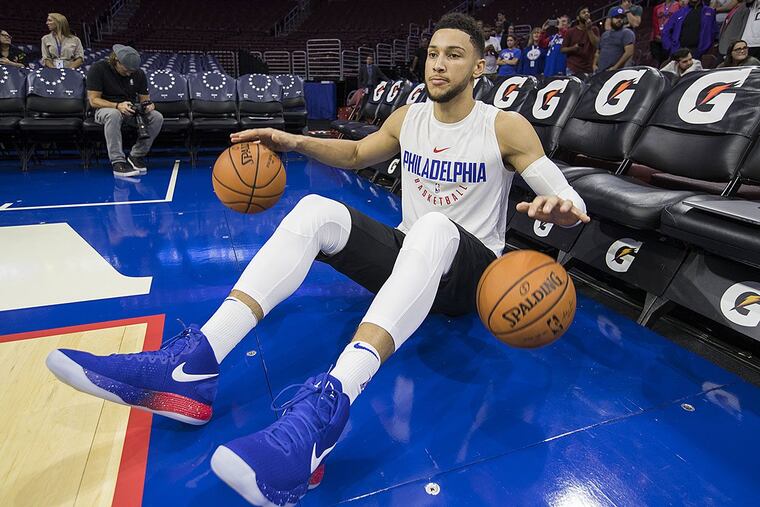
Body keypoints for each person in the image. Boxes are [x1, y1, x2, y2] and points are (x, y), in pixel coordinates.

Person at [46, 12, 589, 507]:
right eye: (433, 54)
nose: (440, 64)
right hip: (413, 257)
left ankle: (329, 406)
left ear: (478, 64)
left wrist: (561, 210)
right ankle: (194, 366)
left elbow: (569, 201)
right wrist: (289, 140)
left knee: (433, 227)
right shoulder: (408, 118)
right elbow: (355, 154)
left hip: (470, 276)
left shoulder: (503, 126)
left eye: (454, 55)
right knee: (314, 209)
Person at [86, 45, 164, 178]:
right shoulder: (98, 69)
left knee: (156, 117)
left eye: (132, 71)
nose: (129, 73)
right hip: (105, 109)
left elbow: (145, 99)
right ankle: (118, 161)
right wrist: (117, 106)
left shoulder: (137, 73)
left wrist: (148, 106)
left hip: (129, 109)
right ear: (116, 61)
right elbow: (94, 100)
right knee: (114, 114)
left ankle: (136, 156)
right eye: (126, 70)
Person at [562, 6, 600, 76]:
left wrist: (589, 29)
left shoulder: (594, 29)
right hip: (573, 68)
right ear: (578, 17)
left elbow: (596, 45)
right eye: (583, 13)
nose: (586, 14)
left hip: (588, 69)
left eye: (588, 12)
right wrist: (573, 48)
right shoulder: (571, 31)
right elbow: (562, 49)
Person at [596, 7, 636, 72]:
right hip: (600, 72)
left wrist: (615, 67)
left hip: (616, 72)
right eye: (616, 17)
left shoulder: (627, 33)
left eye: (621, 17)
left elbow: (629, 52)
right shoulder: (605, 34)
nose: (619, 20)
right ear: (611, 19)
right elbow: (598, 52)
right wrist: (594, 65)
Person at [652, 0, 685, 64]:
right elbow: (655, 23)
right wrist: (657, 34)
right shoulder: (657, 8)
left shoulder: (679, 6)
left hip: (672, 39)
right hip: (659, 40)